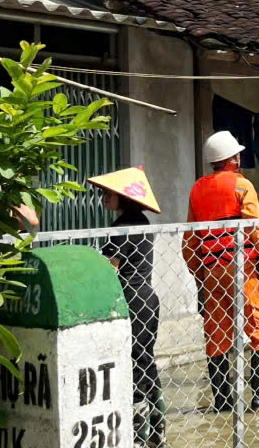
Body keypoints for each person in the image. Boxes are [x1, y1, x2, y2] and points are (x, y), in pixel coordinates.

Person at [183, 131, 259, 412]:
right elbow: (256, 227)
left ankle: (222, 401)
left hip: (212, 269)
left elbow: (189, 241)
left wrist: (200, 273)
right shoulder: (242, 185)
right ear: (231, 158)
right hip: (244, 269)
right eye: (237, 154)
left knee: (216, 333)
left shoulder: (197, 189)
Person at [89, 167, 166, 448]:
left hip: (129, 297)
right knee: (146, 360)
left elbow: (111, 266)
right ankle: (158, 429)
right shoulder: (142, 222)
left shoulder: (120, 228)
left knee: (134, 362)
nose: (104, 198)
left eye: (108, 194)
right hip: (148, 297)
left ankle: (138, 432)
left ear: (123, 197)